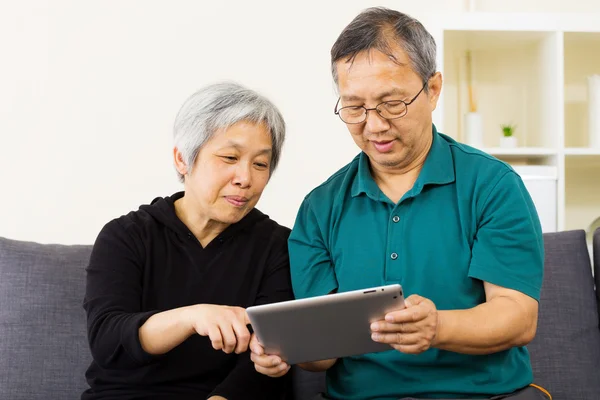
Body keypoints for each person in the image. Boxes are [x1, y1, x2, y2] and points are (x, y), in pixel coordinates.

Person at [250, 7, 550, 400]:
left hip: (483, 397)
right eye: (354, 107)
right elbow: (319, 358)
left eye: (392, 103)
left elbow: (517, 317)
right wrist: (286, 350)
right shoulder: (320, 207)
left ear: (433, 89)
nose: (374, 125)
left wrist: (437, 327)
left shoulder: (493, 185)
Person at [82, 82, 293, 400]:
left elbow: (264, 362)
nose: (245, 178)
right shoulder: (126, 235)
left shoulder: (278, 246)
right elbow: (108, 341)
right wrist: (191, 317)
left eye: (260, 164)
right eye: (229, 157)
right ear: (183, 160)